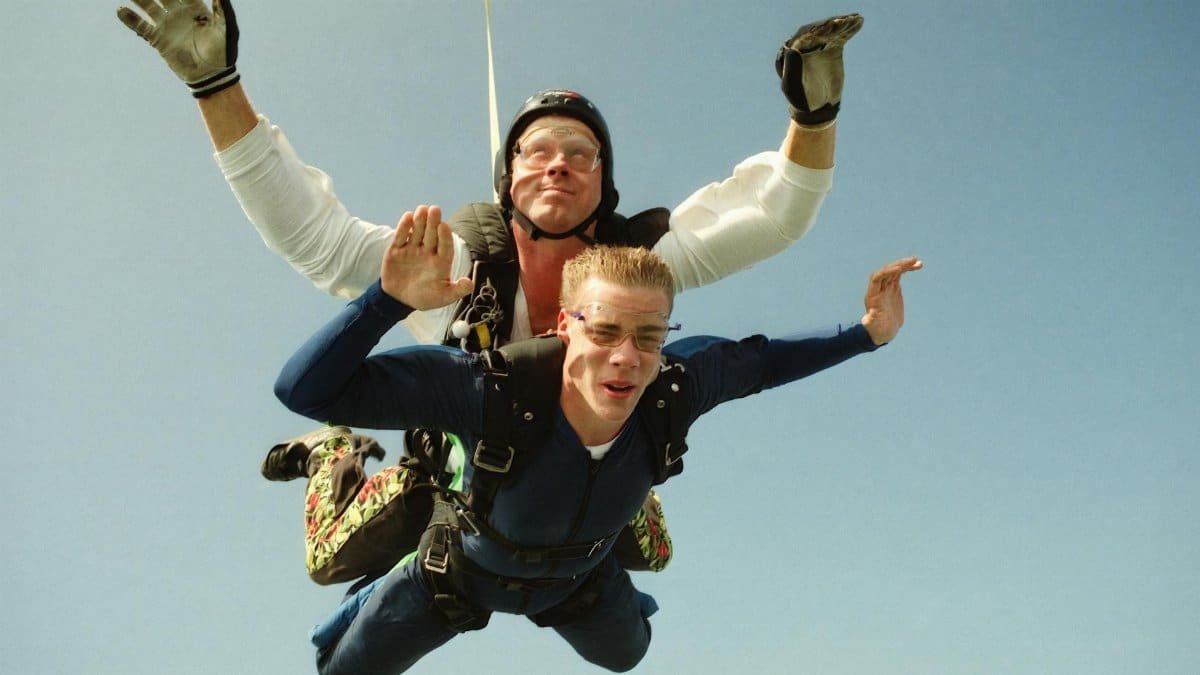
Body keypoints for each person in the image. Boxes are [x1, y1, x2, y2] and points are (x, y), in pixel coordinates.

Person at [116, 0, 865, 577]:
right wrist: (216, 86)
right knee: (332, 558)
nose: (558, 164)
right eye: (535, 152)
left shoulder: (638, 261)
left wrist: (814, 115)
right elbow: (310, 233)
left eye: (581, 153)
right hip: (457, 480)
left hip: (576, 478)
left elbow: (774, 215)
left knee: (652, 550)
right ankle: (331, 457)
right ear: (507, 179)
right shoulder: (449, 271)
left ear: (605, 183)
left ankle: (597, 467)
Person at [272, 208, 922, 673]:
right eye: (606, 331)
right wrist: (385, 301)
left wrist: (867, 332)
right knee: (339, 668)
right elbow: (306, 389)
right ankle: (335, 463)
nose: (627, 359)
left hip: (578, 578)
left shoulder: (678, 383)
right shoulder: (489, 387)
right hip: (458, 576)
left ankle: (626, 508)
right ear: (565, 323)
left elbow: (768, 362)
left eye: (648, 337)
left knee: (627, 656)